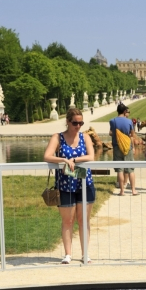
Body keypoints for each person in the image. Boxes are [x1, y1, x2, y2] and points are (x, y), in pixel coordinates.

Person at [44, 107, 95, 264]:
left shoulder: (85, 137)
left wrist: (75, 160)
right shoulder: (58, 137)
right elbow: (47, 156)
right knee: (68, 220)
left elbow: (91, 156)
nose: (78, 126)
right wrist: (64, 160)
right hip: (65, 184)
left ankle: (85, 254)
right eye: (75, 123)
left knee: (83, 219)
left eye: (81, 123)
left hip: (84, 182)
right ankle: (68, 254)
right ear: (67, 122)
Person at [109, 103, 139, 196]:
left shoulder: (112, 121)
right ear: (125, 111)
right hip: (127, 146)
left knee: (120, 170)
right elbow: (132, 134)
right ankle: (133, 190)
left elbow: (111, 133)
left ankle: (122, 191)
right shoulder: (129, 121)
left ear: (117, 111)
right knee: (130, 169)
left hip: (117, 146)